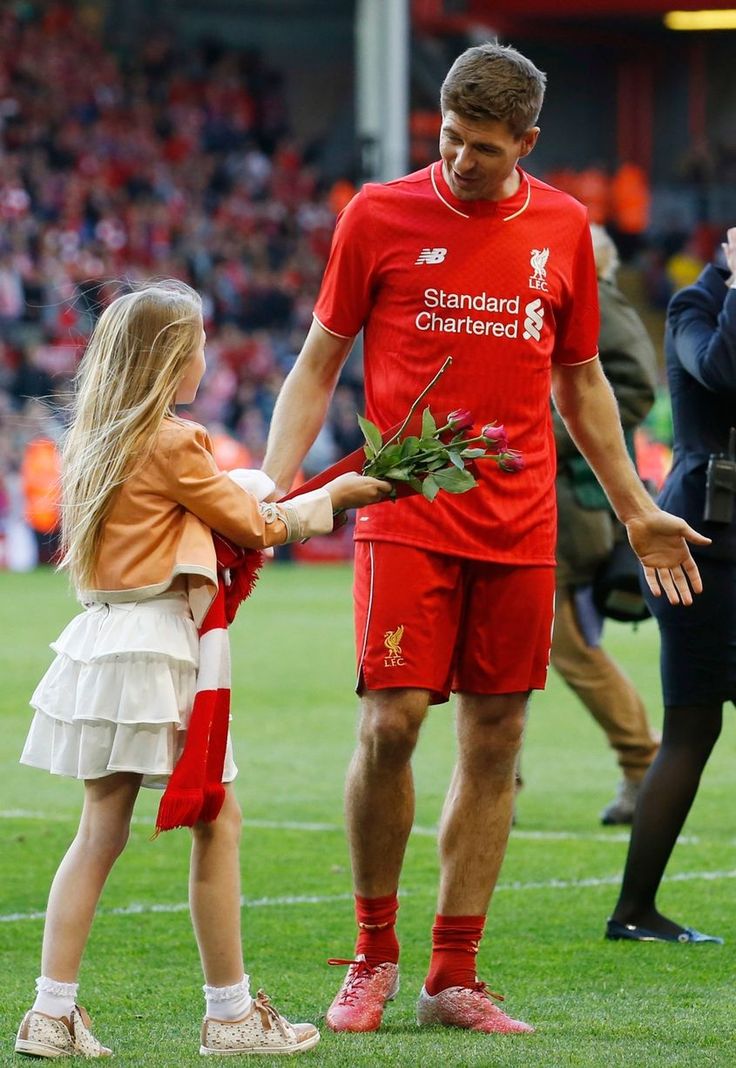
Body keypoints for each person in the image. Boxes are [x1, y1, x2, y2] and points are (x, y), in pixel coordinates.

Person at [262, 42, 708, 1036]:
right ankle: (371, 955)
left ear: (527, 143)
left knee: (497, 738)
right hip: (405, 510)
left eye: (482, 149)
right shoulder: (376, 215)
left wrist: (635, 507)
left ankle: (450, 975)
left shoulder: (561, 226)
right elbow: (316, 360)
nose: (460, 162)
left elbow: (582, 381)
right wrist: (270, 482)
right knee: (391, 723)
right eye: (450, 141)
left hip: (518, 524)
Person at [14, 280, 390, 1059]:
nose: (206, 356)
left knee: (100, 831)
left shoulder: (96, 435)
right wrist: (336, 496)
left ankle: (50, 1012)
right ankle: (229, 1014)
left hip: (100, 639)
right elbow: (255, 523)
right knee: (217, 819)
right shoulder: (172, 440)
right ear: (169, 357)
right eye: (197, 343)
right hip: (158, 643)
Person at [606, 227, 736, 944]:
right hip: (699, 550)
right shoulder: (696, 305)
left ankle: (634, 909)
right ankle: (632, 910)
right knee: (691, 725)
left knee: (694, 727)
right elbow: (723, 371)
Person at [550, 224, 660, 825]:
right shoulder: (567, 302)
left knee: (563, 644)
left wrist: (551, 435)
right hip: (548, 502)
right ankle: (495, 784)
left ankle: (645, 763)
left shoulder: (597, 299)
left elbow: (636, 388)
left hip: (567, 509)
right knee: (501, 645)